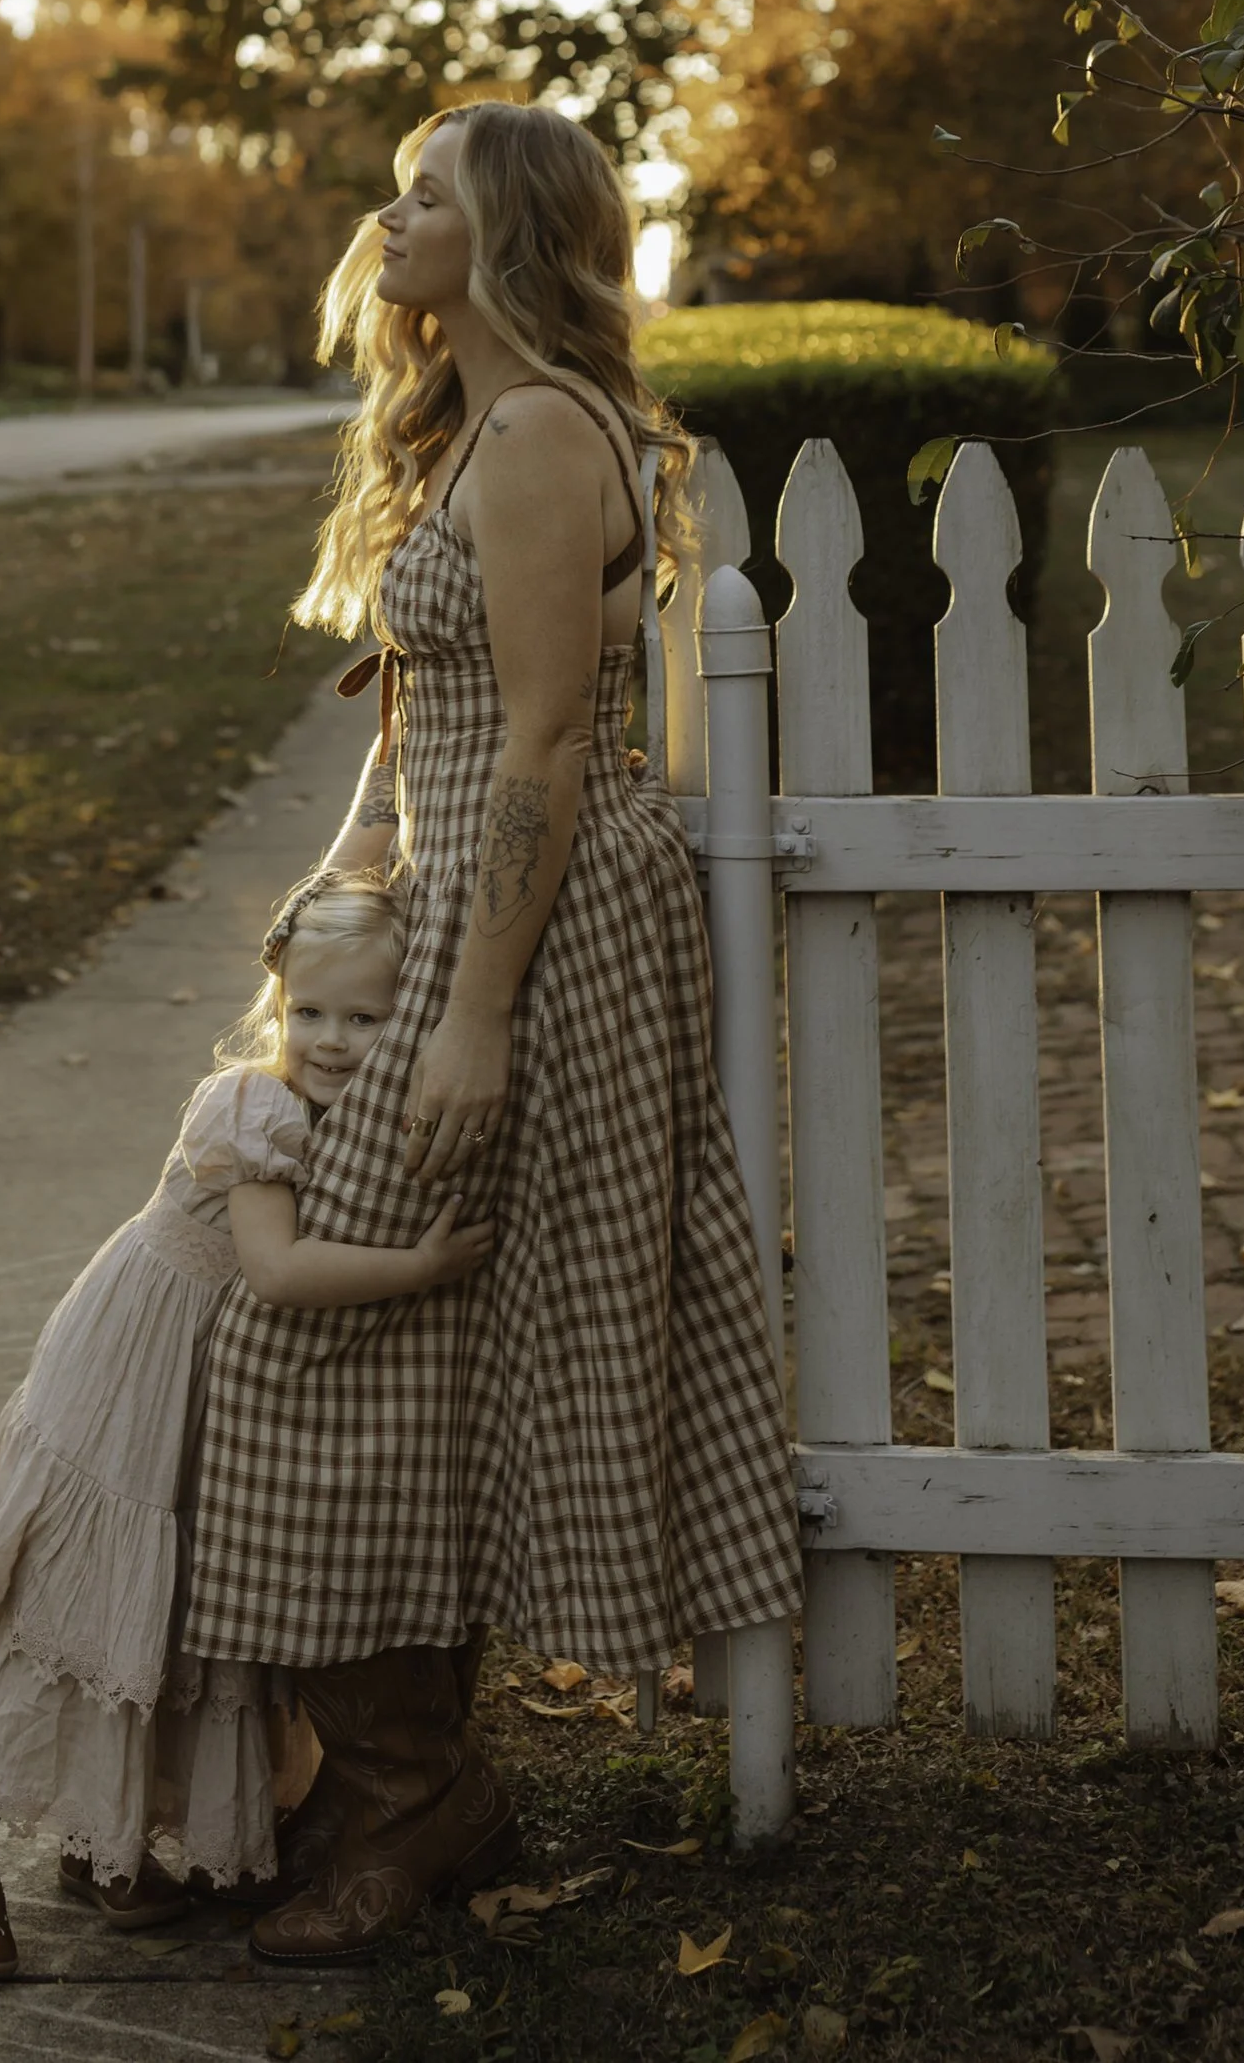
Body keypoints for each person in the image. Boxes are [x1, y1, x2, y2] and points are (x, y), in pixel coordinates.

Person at [180, 99, 804, 1964]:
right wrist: (342, 908)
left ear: (512, 229)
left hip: (541, 934)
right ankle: (398, 1797)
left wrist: (469, 1020)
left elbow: (541, 744)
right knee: (396, 1351)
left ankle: (412, 1804)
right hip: (458, 911)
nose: (390, 215)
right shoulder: (474, 427)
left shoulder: (541, 434)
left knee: (322, 1356)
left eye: (425, 193)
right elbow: (420, 737)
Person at [0, 873, 494, 1980]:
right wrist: (421, 1267)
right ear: (277, 1002)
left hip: (195, 1386)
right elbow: (271, 1269)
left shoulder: (343, 1116)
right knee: (77, 1608)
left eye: (366, 1017)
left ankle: (108, 1848)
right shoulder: (251, 1107)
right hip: (134, 1367)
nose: (332, 1039)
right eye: (310, 1011)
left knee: (167, 1619)